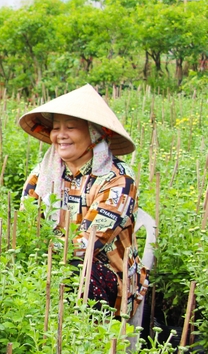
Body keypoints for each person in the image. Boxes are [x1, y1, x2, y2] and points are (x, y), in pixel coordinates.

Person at [17, 84, 148, 317]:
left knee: (78, 272)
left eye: (71, 127)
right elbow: (26, 223)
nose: (60, 135)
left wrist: (38, 251)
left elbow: (88, 245)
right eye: (56, 128)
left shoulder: (118, 180)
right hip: (50, 262)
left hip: (105, 274)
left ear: (94, 133)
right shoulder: (44, 173)